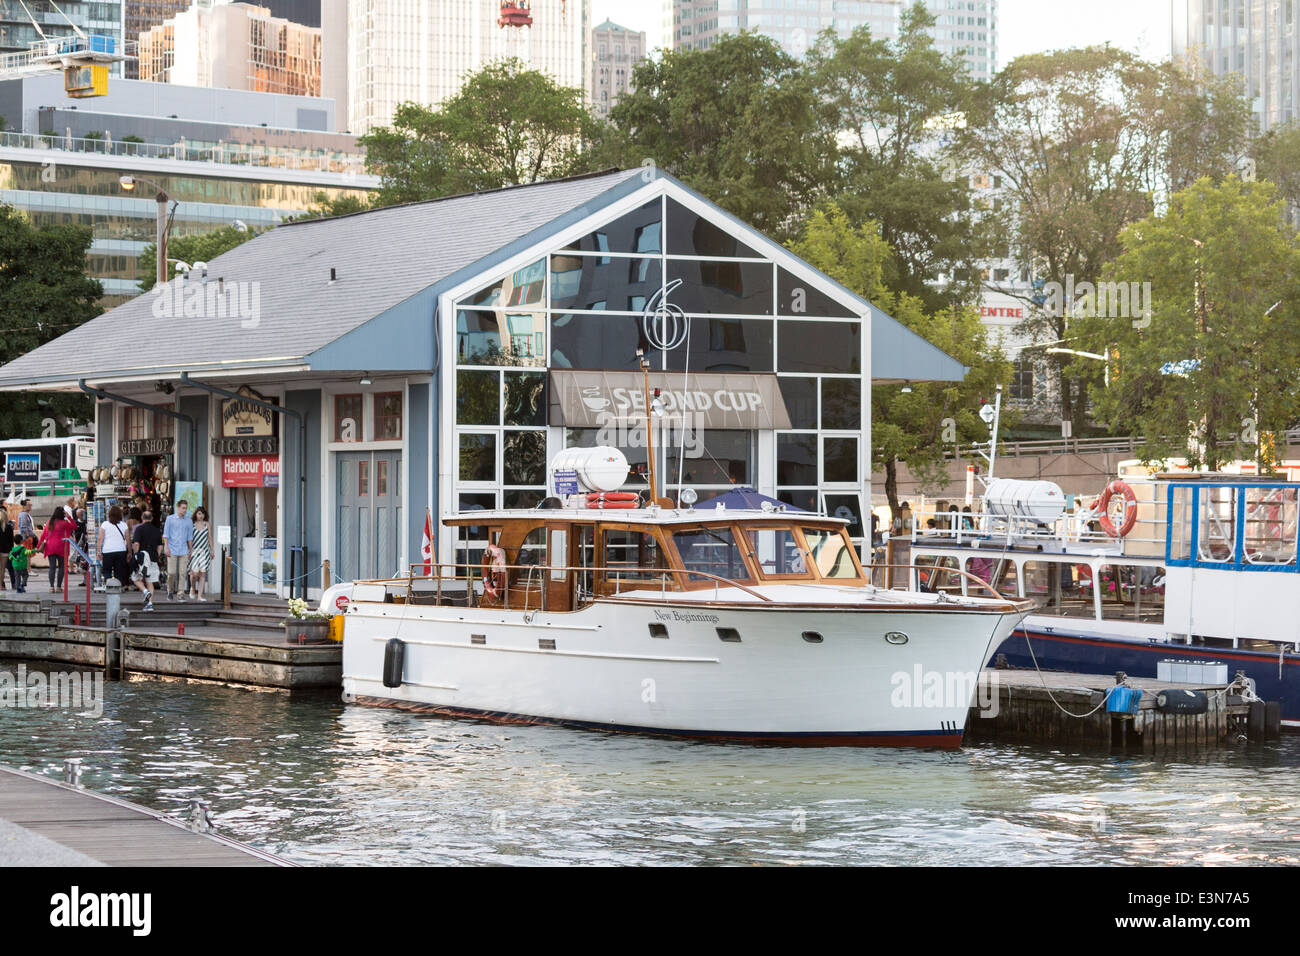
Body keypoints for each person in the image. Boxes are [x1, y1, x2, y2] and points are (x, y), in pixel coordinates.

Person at [36, 506, 77, 592]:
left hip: (50, 547)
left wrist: (38, 546)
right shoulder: (64, 523)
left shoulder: (49, 523)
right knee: (62, 567)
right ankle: (58, 587)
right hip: (61, 546)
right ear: (63, 514)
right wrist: (69, 516)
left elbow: (43, 535)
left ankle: (51, 587)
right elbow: (74, 526)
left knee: (52, 567)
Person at [131, 510, 162, 611]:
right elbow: (160, 546)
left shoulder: (139, 529)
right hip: (152, 558)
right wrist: (157, 555)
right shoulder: (157, 530)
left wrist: (135, 555)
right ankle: (150, 604)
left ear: (142, 518)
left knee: (135, 578)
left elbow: (136, 544)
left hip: (142, 558)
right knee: (150, 582)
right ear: (152, 518)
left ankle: (144, 591)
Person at [163, 500, 194, 601]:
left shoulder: (189, 521)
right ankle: (170, 590)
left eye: (186, 508)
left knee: (183, 572)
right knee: (171, 572)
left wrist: (190, 550)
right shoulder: (170, 519)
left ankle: (181, 593)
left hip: (184, 549)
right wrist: (166, 547)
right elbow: (166, 534)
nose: (185, 510)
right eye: (183, 508)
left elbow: (189, 537)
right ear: (178, 507)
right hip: (172, 548)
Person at [96, 505, 131, 588]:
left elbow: (100, 539)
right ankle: (118, 587)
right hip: (121, 550)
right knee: (119, 571)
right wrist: (129, 552)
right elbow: (128, 539)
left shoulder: (104, 524)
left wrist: (98, 551)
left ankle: (109, 586)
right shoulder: (124, 525)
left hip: (107, 551)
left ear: (109, 514)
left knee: (107, 570)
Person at [188, 507, 211, 601]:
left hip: (204, 551)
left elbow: (210, 537)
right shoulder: (192, 525)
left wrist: (212, 550)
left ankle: (200, 596)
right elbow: (189, 539)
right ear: (195, 515)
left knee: (203, 573)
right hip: (194, 551)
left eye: (202, 514)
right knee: (194, 573)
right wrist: (189, 550)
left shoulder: (207, 524)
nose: (201, 516)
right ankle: (192, 588)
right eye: (199, 514)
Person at [0, 510, 12, 591]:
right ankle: (0, 585)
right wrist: (10, 550)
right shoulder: (9, 527)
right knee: (2, 569)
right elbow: (11, 540)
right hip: (5, 550)